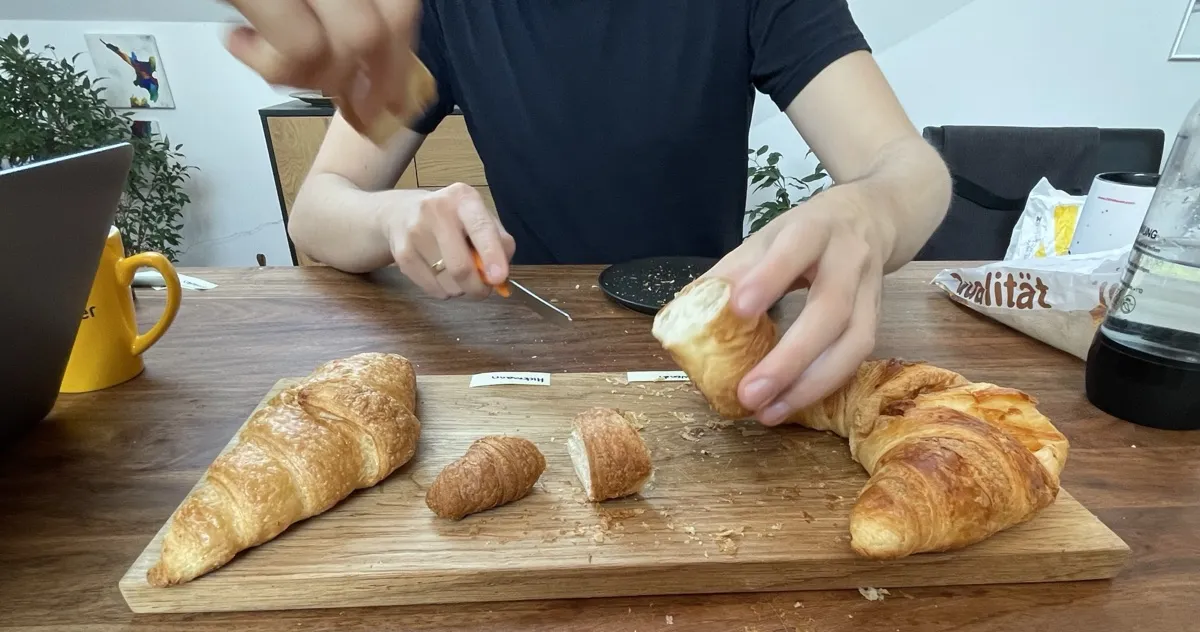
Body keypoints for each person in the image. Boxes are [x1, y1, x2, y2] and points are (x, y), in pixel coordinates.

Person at [224, 0, 951, 425]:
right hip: (534, 361)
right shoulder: (444, 11)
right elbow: (316, 210)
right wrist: (392, 218)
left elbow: (910, 170)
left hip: (714, 365)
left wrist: (871, 207)